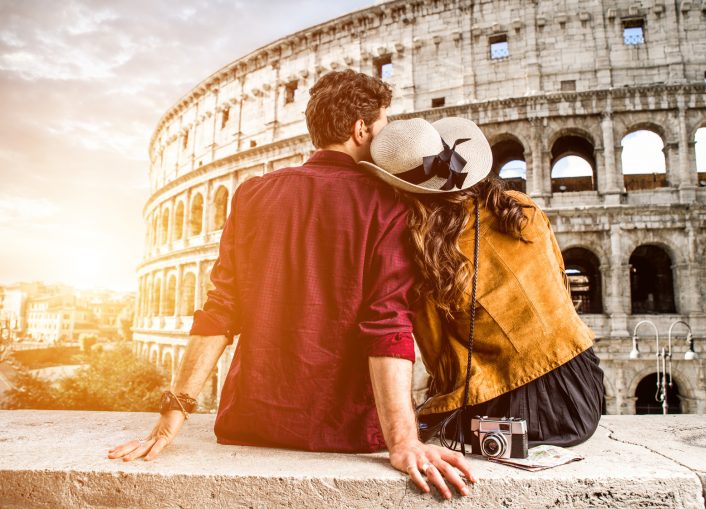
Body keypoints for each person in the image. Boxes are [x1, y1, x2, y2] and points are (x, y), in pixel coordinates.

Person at [108, 71, 474, 500]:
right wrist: (403, 441)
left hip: (253, 422)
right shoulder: (390, 203)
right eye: (381, 126)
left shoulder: (251, 195)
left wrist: (173, 415)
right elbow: (387, 325)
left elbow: (220, 311)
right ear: (361, 130)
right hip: (347, 431)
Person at [359, 117, 604, 450]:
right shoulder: (522, 207)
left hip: (510, 412)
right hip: (581, 394)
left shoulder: (424, 253)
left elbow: (439, 356)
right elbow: (560, 286)